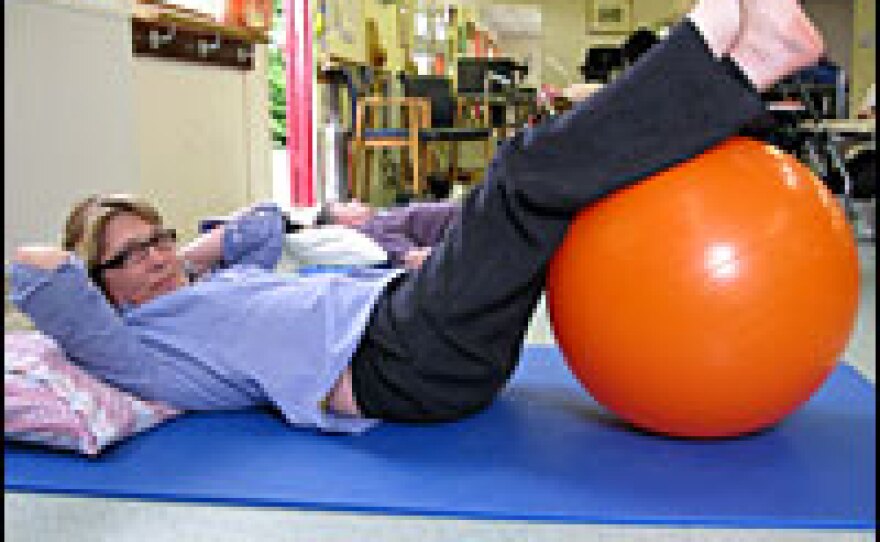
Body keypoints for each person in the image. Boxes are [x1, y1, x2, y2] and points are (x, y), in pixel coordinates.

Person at [11, 0, 825, 434]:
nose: (156, 256)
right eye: (131, 257)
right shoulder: (143, 352)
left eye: (157, 238)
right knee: (518, 180)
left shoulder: (213, 283)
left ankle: (741, 83)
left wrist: (186, 255)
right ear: (102, 288)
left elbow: (262, 226)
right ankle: (732, 58)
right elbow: (35, 267)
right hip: (401, 364)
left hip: (411, 319)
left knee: (543, 194)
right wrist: (146, 272)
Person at [314, 199, 460, 269]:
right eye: (346, 205)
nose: (354, 201)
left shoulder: (378, 218)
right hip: (465, 224)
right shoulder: (371, 231)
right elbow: (414, 258)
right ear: (343, 223)